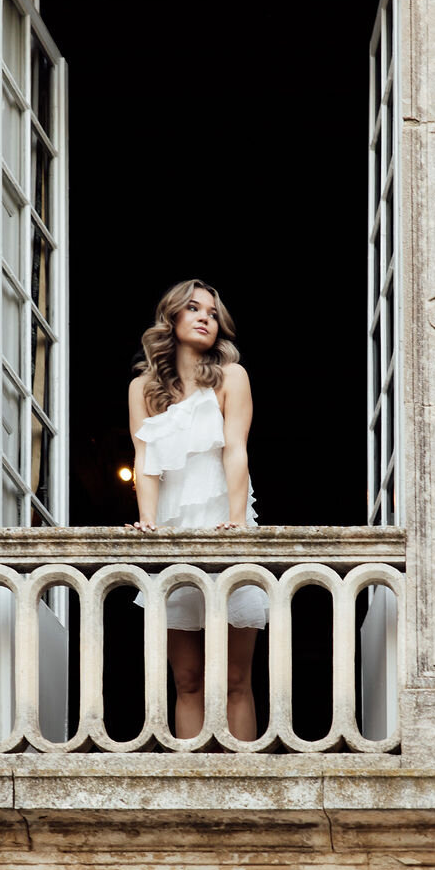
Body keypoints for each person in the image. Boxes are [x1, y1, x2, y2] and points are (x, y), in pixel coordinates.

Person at [127, 278, 267, 740]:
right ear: (172, 319)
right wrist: (148, 522)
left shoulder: (232, 378)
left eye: (211, 310)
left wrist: (237, 521)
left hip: (225, 522)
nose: (205, 316)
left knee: (234, 680)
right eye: (193, 308)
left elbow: (236, 451)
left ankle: (246, 782)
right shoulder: (144, 389)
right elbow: (144, 462)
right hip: (172, 531)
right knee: (187, 680)